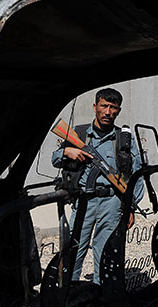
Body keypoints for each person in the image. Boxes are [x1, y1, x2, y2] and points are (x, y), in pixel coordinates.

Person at [52, 88, 144, 285]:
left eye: (113, 108)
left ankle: (99, 295)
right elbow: (55, 159)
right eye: (104, 106)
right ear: (95, 107)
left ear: (118, 111)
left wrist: (130, 207)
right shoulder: (79, 133)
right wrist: (67, 152)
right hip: (83, 200)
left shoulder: (123, 139)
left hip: (112, 202)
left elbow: (136, 174)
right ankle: (69, 291)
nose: (108, 112)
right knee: (74, 250)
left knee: (105, 254)